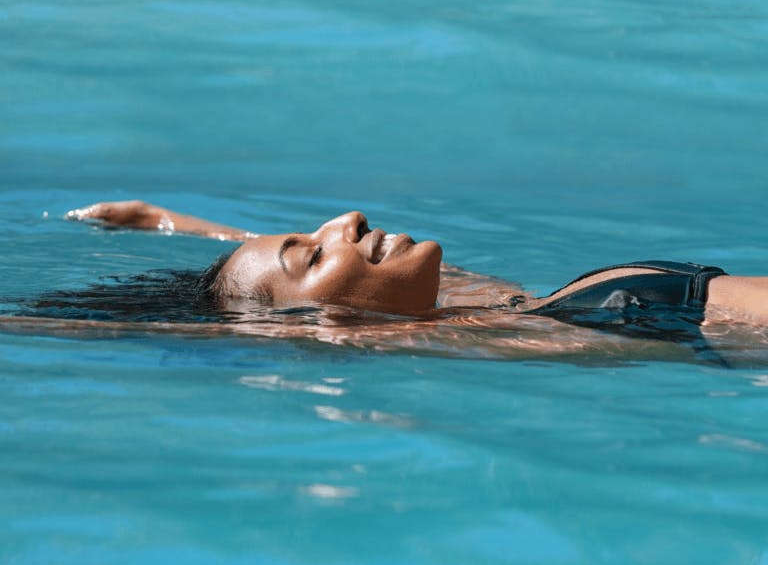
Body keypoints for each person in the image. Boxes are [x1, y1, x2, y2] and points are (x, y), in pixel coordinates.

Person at [65, 200, 768, 327]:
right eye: (312, 252)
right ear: (330, 322)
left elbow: (253, 259)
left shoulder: (481, 301)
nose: (348, 221)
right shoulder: (437, 332)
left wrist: (164, 219)